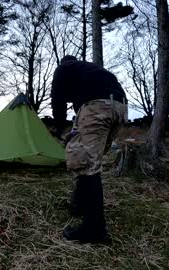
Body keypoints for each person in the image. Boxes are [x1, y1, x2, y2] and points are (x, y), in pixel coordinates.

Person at [51, 55, 128, 243]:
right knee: (89, 160)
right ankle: (79, 205)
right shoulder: (88, 72)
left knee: (86, 165)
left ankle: (94, 230)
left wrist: (59, 127)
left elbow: (57, 99)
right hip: (120, 107)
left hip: (98, 106)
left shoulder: (63, 68)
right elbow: (79, 106)